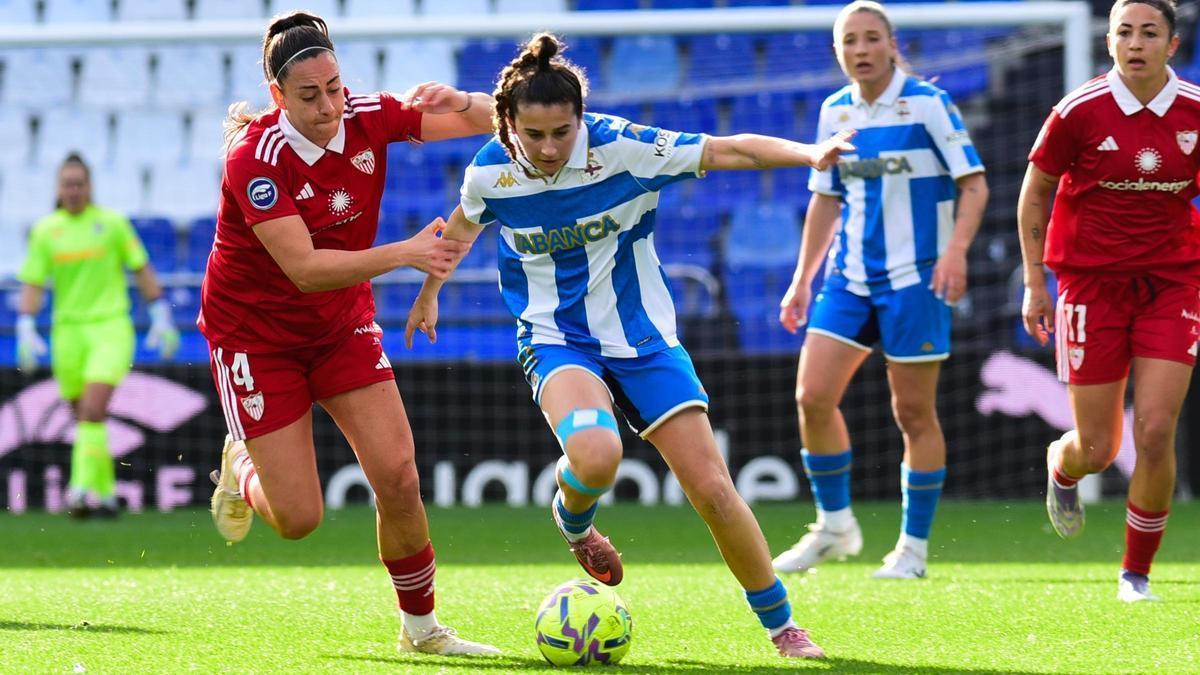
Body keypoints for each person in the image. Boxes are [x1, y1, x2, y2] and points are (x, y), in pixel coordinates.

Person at [405, 32, 854, 660]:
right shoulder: (489, 171)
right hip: (556, 336)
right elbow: (461, 225)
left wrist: (806, 153)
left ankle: (783, 628)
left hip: (642, 337)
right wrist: (431, 292)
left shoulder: (624, 148)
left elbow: (730, 151)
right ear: (507, 125)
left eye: (562, 132)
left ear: (579, 120)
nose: (549, 147)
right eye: (534, 136)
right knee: (596, 453)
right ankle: (574, 517)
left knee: (714, 490)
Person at [202, 11, 500, 655]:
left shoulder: (366, 115)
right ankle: (242, 462)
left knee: (398, 475)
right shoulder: (253, 157)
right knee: (299, 521)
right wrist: (407, 254)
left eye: (335, 87)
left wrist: (465, 99)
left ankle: (421, 630)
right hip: (256, 338)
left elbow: (494, 120)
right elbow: (306, 270)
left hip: (340, 326)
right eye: (310, 95)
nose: (330, 105)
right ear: (278, 96)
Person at [771, 0, 988, 580]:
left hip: (917, 278)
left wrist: (956, 252)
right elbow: (826, 198)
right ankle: (835, 525)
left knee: (912, 411)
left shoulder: (929, 104)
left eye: (871, 39)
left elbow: (974, 184)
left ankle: (912, 549)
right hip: (850, 278)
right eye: (849, 41)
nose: (861, 50)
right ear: (838, 52)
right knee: (812, 397)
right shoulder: (835, 111)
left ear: (892, 44)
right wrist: (801, 280)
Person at [1019, 0, 1197, 603]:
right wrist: (1033, 282)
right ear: (1110, 42)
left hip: (1172, 285)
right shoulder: (1078, 111)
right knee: (1099, 449)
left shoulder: (1196, 112)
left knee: (1153, 429)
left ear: (1173, 45)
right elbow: (1035, 192)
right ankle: (1063, 464)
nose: (1136, 42)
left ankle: (1135, 573)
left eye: (1150, 32)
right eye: (1125, 31)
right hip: (1090, 287)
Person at [16, 152, 180, 519]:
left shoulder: (112, 224)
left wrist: (159, 312)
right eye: (67, 184)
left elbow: (141, 267)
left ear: (89, 187)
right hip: (67, 333)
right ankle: (105, 495)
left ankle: (77, 491)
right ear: (59, 189)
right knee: (87, 419)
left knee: (91, 409)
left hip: (110, 328)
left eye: (79, 184)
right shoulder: (46, 231)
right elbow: (33, 281)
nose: (73, 190)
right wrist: (26, 322)